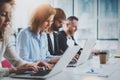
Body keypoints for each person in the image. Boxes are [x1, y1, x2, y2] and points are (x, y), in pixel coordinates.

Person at [0, 0, 50, 77]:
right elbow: (16, 67)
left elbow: (17, 61)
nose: (8, 20)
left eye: (10, 15)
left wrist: (34, 65)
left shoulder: (5, 37)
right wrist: (15, 70)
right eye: (3, 14)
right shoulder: (25, 33)